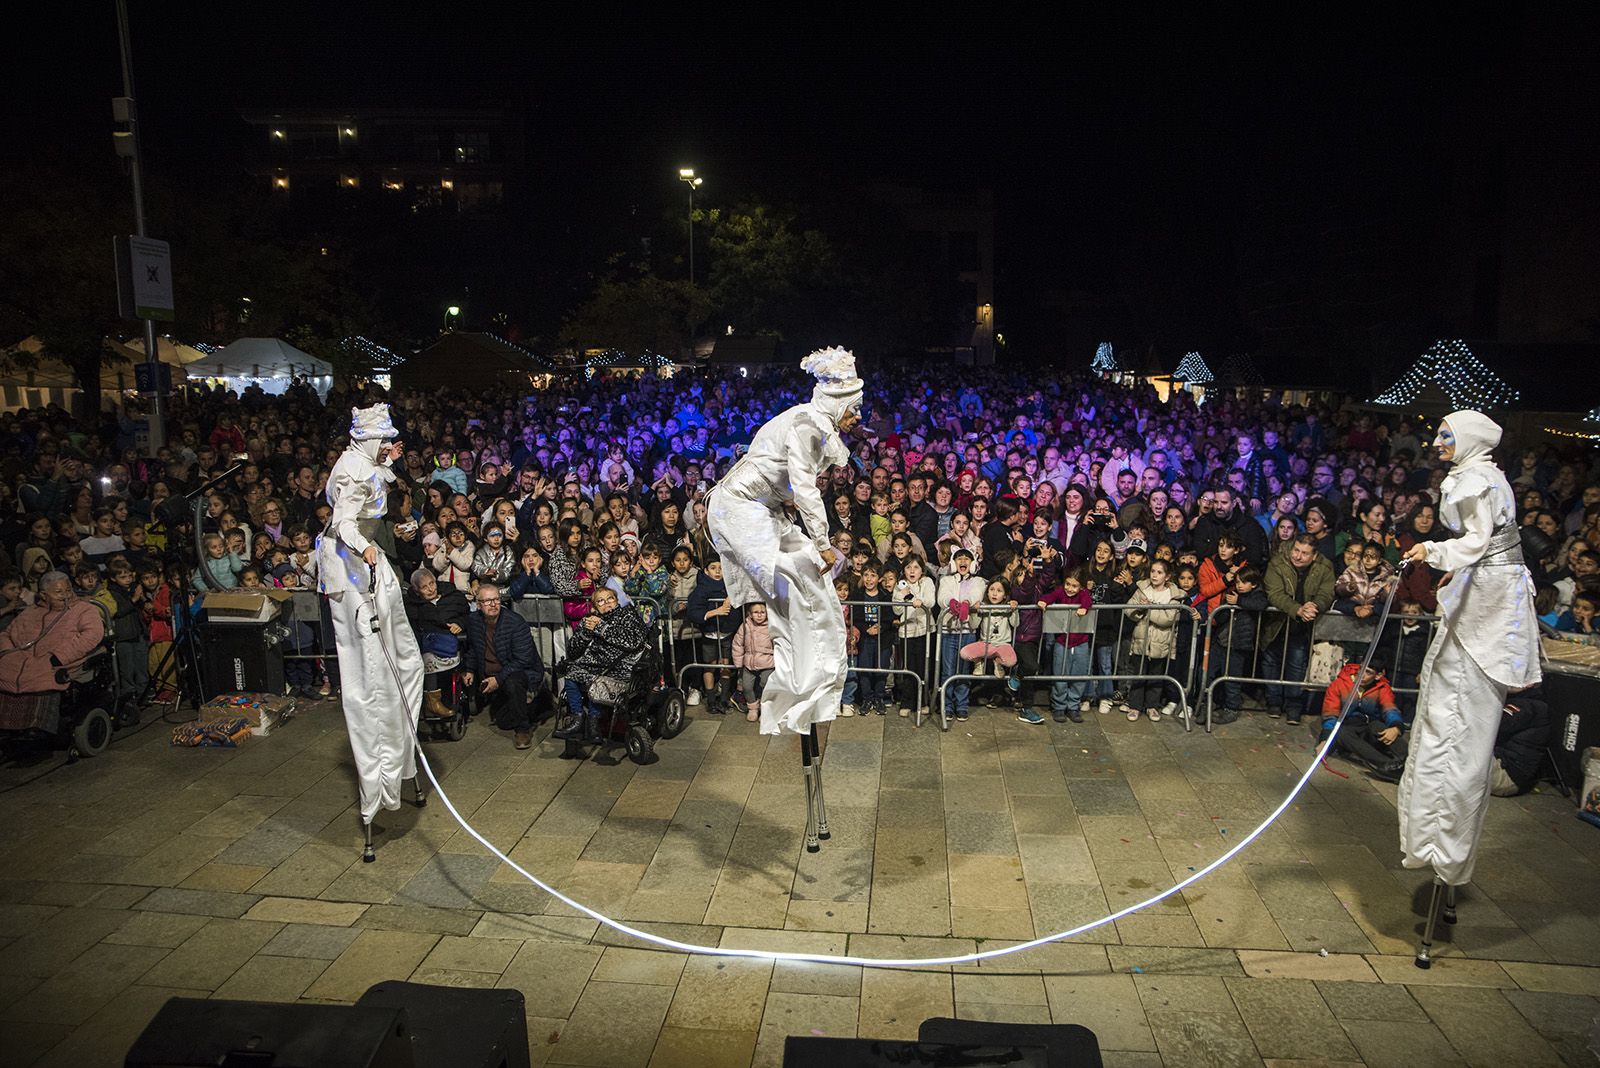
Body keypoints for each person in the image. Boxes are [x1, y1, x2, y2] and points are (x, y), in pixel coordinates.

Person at [1398, 411, 1541, 889]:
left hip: (1489, 604)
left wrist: (1432, 552)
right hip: (1487, 590)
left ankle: (1442, 846)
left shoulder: (1476, 478)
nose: (1436, 442)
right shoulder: (1483, 474)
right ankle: (1434, 844)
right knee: (1448, 724)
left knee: (1459, 730)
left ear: (1470, 440)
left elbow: (1478, 541)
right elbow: (1487, 545)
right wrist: (1457, 569)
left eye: (1445, 435)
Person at [706, 348, 858, 741]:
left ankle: (815, 680)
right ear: (839, 403)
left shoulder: (809, 420)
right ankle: (801, 686)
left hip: (760, 508)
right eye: (855, 408)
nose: (858, 417)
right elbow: (806, 490)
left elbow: (783, 480)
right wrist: (823, 541)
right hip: (740, 509)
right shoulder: (808, 425)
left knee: (810, 578)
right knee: (800, 581)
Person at [317, 403, 425, 823]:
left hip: (370, 557)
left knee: (406, 663)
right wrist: (365, 549)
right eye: (385, 442)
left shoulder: (368, 463)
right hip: (351, 565)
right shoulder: (350, 470)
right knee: (374, 675)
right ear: (369, 441)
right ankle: (380, 772)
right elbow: (344, 522)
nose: (389, 448)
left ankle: (404, 753)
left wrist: (390, 463)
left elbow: (380, 486)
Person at [555, 586, 648, 757]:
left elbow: (633, 641)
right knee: (571, 674)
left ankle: (594, 721)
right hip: (592, 666)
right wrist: (585, 632)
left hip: (618, 669)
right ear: (595, 607)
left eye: (610, 599)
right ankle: (577, 717)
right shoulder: (592, 619)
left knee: (597, 681)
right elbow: (573, 651)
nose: (607, 604)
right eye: (601, 601)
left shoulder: (628, 615)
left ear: (617, 601)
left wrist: (601, 628)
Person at [0, 571, 104, 699]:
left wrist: (58, 657)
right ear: (44, 595)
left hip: (54, 662)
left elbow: (93, 634)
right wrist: (7, 652)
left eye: (68, 590)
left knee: (40, 678)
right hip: (16, 660)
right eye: (59, 592)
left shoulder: (84, 609)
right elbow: (6, 634)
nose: (65, 596)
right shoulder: (30, 611)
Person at [463, 583, 543, 749]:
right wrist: (469, 670)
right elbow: (472, 648)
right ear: (478, 605)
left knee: (513, 683)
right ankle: (532, 704)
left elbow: (523, 660)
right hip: (493, 674)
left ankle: (523, 730)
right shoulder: (473, 621)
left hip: (519, 672)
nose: (493, 605)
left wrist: (498, 679)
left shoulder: (515, 623)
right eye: (487, 601)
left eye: (496, 600)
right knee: (504, 722)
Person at [732, 602, 775, 723]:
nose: (760, 615)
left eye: (762, 612)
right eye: (756, 612)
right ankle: (752, 708)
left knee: (765, 684)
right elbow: (737, 644)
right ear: (750, 614)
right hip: (749, 663)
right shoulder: (745, 626)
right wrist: (739, 662)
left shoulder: (771, 627)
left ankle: (765, 708)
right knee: (746, 686)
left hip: (767, 663)